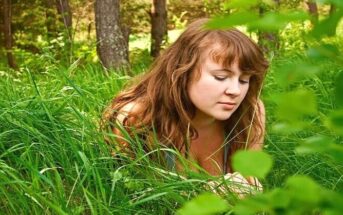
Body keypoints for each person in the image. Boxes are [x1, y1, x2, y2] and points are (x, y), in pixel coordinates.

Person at [102, 18, 269, 196]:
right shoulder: (137, 118)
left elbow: (250, 179)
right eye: (221, 77)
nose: (236, 91)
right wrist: (204, 193)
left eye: (244, 80)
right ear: (182, 71)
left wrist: (250, 189)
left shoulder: (251, 111)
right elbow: (128, 191)